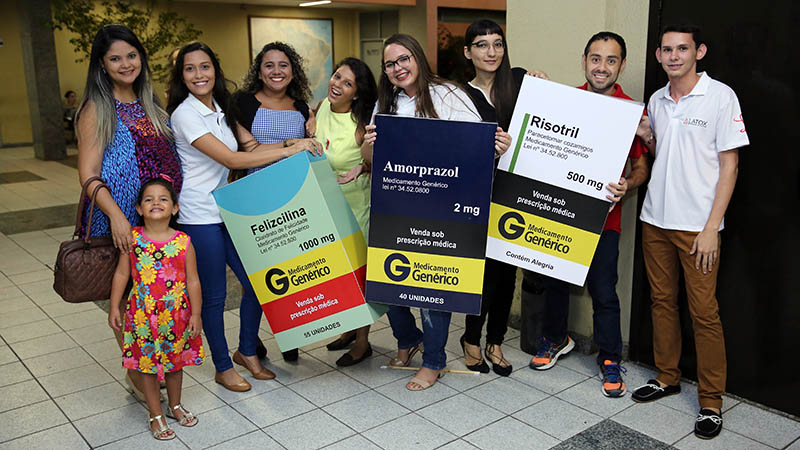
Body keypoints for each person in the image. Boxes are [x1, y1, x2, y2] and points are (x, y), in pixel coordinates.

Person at [167, 43, 321, 391]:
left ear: (215, 70)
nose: (199, 75)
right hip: (198, 215)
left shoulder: (220, 108)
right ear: (181, 76)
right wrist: (292, 147)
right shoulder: (185, 114)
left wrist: (299, 143)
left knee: (258, 284)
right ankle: (223, 366)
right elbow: (233, 161)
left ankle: (246, 351)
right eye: (190, 69)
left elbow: (249, 149)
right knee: (216, 296)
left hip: (227, 209)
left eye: (205, 67)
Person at [361, 33, 511, 390]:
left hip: (444, 212)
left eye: (403, 59)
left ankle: (434, 360)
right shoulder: (387, 104)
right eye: (389, 63)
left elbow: (477, 149)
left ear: (418, 57)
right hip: (397, 209)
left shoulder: (449, 94)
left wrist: (497, 148)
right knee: (384, 286)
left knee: (432, 289)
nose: (398, 68)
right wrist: (368, 147)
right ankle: (408, 337)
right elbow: (370, 162)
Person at [631, 23, 748, 440]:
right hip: (655, 220)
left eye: (682, 49)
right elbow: (668, 154)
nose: (674, 56)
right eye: (667, 50)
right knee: (661, 301)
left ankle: (711, 402)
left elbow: (730, 165)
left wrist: (712, 227)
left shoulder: (720, 96)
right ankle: (667, 377)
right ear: (659, 56)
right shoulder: (658, 100)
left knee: (704, 312)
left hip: (698, 227)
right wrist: (645, 134)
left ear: (699, 51)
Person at [528, 32, 651, 399]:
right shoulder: (566, 100)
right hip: (561, 213)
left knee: (603, 291)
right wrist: (537, 90)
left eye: (611, 60)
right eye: (596, 59)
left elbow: (641, 166)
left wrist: (627, 185)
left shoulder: (633, 111)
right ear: (584, 60)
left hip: (605, 219)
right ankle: (555, 338)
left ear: (622, 66)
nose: (602, 67)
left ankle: (610, 357)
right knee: (555, 282)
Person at [75, 24, 182, 402]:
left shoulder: (150, 101)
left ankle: (159, 373)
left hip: (157, 221)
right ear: (102, 65)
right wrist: (119, 217)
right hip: (120, 224)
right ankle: (141, 382)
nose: (125, 64)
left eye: (131, 55)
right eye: (115, 58)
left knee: (158, 301)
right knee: (130, 305)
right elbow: (88, 175)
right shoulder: (95, 109)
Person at [458, 19, 550, 377]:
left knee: (507, 270)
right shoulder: (459, 95)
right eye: (482, 45)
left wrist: (546, 88)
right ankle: (470, 339)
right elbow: (457, 147)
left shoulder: (521, 80)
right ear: (468, 52)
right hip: (480, 193)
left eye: (497, 44)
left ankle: (495, 341)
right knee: (481, 275)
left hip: (518, 192)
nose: (491, 52)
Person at [230, 41, 322, 361]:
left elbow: (313, 145)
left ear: (292, 70)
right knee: (257, 278)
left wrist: (313, 123)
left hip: (293, 197)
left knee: (291, 274)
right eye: (269, 65)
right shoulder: (242, 103)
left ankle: (291, 337)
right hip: (254, 197)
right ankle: (249, 342)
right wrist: (291, 143)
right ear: (259, 70)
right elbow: (248, 151)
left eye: (283, 65)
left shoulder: (301, 107)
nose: (276, 71)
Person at [108, 177, 203, 441]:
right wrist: (114, 306)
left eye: (163, 198)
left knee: (175, 364)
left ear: (175, 208)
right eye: (148, 199)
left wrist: (195, 314)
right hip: (142, 316)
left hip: (176, 316)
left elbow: (193, 280)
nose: (156, 203)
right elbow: (121, 274)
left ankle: (174, 405)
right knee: (147, 365)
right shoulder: (133, 239)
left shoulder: (184, 241)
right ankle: (155, 413)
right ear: (139, 209)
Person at [314, 57, 378, 367]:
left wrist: (363, 166)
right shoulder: (324, 105)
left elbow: (379, 161)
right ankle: (348, 330)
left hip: (355, 210)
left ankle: (363, 341)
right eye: (337, 76)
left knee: (357, 277)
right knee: (338, 274)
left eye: (347, 83)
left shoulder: (362, 125)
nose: (337, 84)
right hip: (325, 206)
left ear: (357, 93)